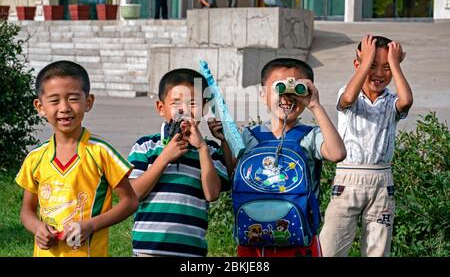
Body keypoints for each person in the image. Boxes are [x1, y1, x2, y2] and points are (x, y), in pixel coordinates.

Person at [15, 61, 138, 257]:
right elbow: (26, 211)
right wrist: (37, 228)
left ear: (88, 102)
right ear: (40, 106)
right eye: (54, 101)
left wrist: (91, 225)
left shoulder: (101, 152)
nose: (64, 108)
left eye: (73, 99)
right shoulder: (35, 157)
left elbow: (130, 202)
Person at [236, 58, 347, 257]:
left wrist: (315, 106)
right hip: (253, 238)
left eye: (296, 89)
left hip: (300, 238)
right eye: (279, 88)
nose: (287, 96)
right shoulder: (248, 136)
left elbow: (338, 153)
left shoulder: (309, 136)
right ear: (263, 95)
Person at [319, 36, 413, 257]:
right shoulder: (348, 93)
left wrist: (396, 64)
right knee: (331, 246)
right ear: (357, 65)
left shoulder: (391, 101)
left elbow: (406, 101)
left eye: (387, 67)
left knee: (378, 249)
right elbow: (348, 98)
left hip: (382, 182)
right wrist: (366, 60)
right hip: (347, 179)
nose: (379, 74)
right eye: (372, 65)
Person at [128, 69, 234, 257]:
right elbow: (134, 193)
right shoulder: (145, 146)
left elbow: (212, 194)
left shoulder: (208, 150)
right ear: (161, 108)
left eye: (193, 103)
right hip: (148, 249)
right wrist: (165, 157)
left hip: (190, 251)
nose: (184, 110)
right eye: (176, 103)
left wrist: (201, 148)